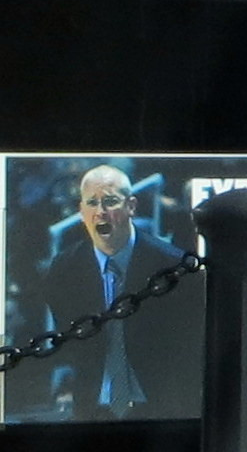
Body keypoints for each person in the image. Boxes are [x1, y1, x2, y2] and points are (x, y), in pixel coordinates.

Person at [32, 165, 194, 421]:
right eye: (92, 203)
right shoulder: (64, 269)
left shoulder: (173, 266)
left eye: (110, 202)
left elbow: (187, 347)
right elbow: (70, 342)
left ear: (131, 206)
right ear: (81, 211)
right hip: (92, 410)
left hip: (160, 410)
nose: (101, 213)